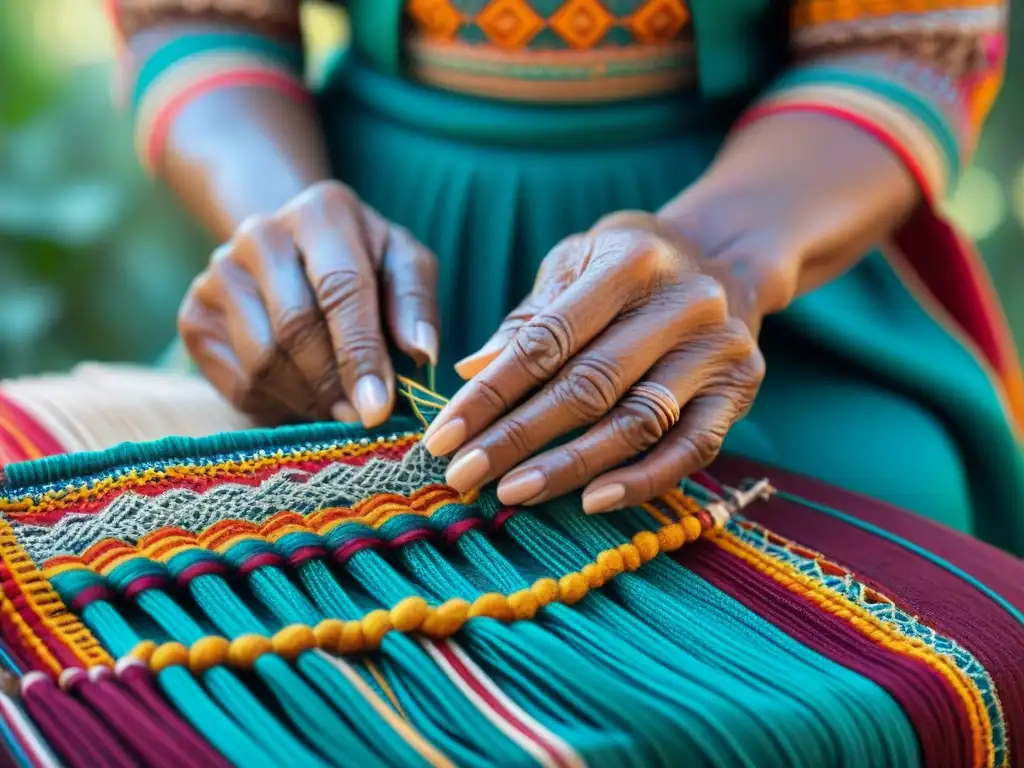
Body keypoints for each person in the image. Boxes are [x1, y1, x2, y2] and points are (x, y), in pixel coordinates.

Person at [60, 0, 1017, 552]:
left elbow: (900, 43)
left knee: (899, 530)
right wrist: (278, 217)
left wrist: (722, 258)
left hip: (764, 250)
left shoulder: (735, 264)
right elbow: (193, 18)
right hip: (358, 263)